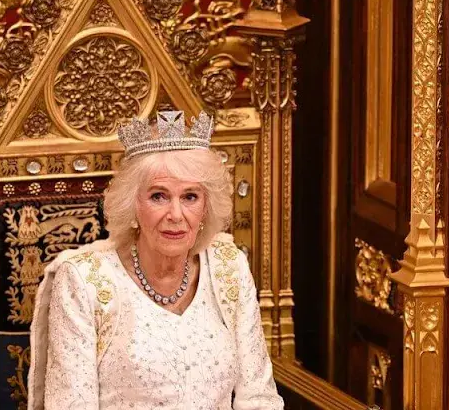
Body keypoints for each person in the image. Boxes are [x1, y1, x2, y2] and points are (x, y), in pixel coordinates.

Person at [28, 111, 284, 409]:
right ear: (133, 205)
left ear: (205, 207)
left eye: (190, 197)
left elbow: (258, 397)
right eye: (159, 196)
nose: (175, 215)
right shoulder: (84, 282)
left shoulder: (229, 267)